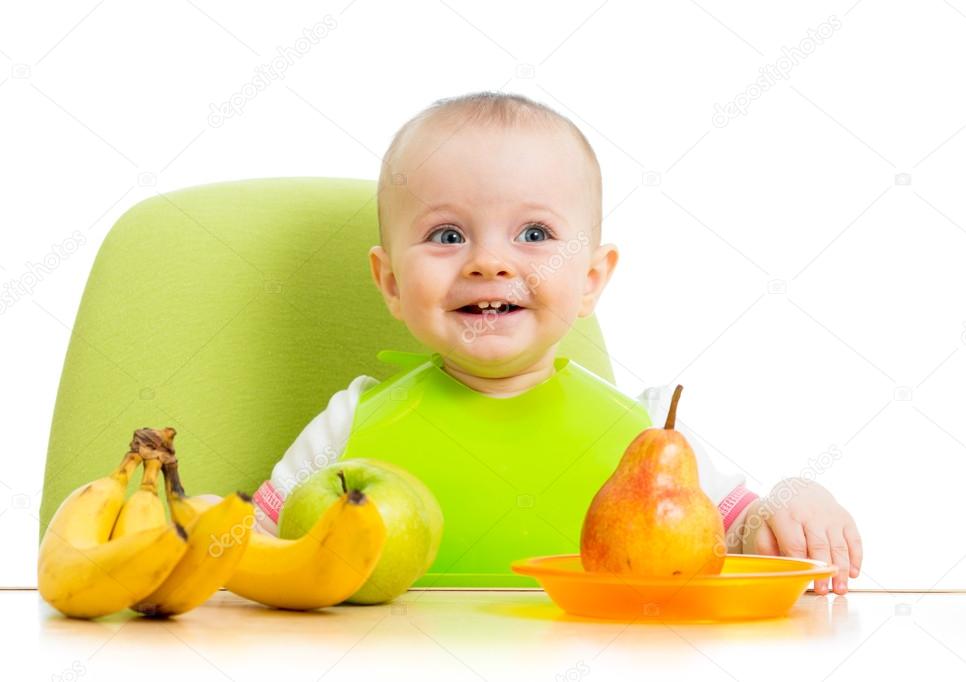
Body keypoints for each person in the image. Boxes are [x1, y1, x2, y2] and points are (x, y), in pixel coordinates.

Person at [251, 91, 862, 595]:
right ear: (390, 282)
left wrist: (792, 501)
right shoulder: (350, 425)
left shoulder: (647, 435)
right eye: (446, 234)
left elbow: (740, 535)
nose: (489, 262)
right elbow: (253, 549)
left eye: (535, 233)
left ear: (591, 279)